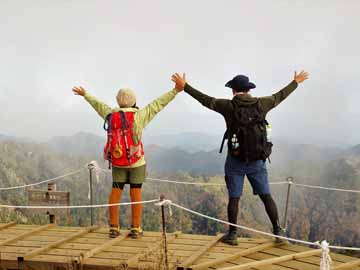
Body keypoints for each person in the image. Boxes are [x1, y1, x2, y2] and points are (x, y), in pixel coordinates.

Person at [171, 71, 309, 245]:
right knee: (266, 196)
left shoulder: (228, 106)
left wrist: (185, 87)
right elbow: (280, 96)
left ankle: (233, 234)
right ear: (248, 89)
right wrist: (295, 82)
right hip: (257, 161)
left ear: (233, 90)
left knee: (234, 198)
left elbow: (205, 100)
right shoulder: (262, 104)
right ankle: (277, 231)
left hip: (235, 160)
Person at [73, 84, 183, 238]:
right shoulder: (139, 115)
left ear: (118, 101)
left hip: (118, 161)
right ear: (134, 101)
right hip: (136, 162)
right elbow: (158, 104)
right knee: (135, 193)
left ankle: (113, 227)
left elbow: (98, 105)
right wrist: (175, 91)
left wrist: (86, 95)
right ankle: (135, 228)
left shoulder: (111, 115)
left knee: (115, 192)